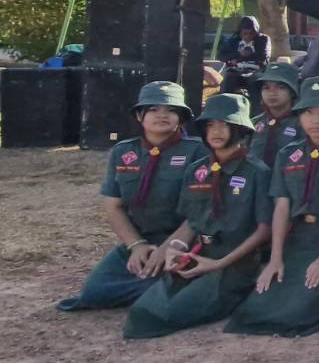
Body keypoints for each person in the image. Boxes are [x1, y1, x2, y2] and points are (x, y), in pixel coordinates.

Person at [123, 93, 272, 338]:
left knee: (167, 315)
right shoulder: (197, 170)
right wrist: (176, 249)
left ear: (241, 129)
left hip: (234, 263)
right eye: (210, 125)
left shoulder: (257, 172)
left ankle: (239, 294)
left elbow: (264, 230)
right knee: (142, 311)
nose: (216, 131)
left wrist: (219, 263)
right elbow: (193, 221)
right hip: (198, 254)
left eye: (225, 125)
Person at [226, 76, 319, 337]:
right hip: (298, 239)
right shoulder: (289, 154)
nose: (315, 120)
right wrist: (275, 257)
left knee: (300, 310)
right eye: (308, 113)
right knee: (256, 308)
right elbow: (282, 205)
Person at [58, 82, 211, 312]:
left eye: (171, 110)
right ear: (140, 116)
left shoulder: (198, 151)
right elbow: (114, 206)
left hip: (185, 240)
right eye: (153, 109)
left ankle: (177, 284)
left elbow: (202, 209)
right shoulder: (123, 152)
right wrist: (137, 246)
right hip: (141, 238)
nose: (162, 115)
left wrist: (169, 246)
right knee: (94, 293)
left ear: (181, 118)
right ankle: (163, 285)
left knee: (175, 281)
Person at [248, 62, 302, 170]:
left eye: (280, 87)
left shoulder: (302, 125)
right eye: (266, 88)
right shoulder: (252, 124)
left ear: (292, 92)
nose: (272, 93)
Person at [219, 15, 270, 93]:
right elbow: (222, 56)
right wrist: (239, 54)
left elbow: (263, 56)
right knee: (228, 81)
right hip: (237, 71)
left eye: (251, 33)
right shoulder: (233, 41)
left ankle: (255, 100)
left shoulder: (263, 40)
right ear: (240, 33)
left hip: (255, 70)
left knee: (255, 82)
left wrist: (241, 57)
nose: (248, 36)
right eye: (245, 33)